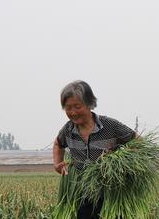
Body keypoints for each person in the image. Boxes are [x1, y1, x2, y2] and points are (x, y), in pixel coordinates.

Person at [53, 80, 136, 219]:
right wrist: (57, 164)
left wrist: (120, 159)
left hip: (113, 193)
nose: (73, 112)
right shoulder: (68, 129)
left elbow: (138, 142)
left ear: (89, 104)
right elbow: (57, 144)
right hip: (84, 194)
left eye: (77, 106)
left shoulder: (110, 125)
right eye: (68, 108)